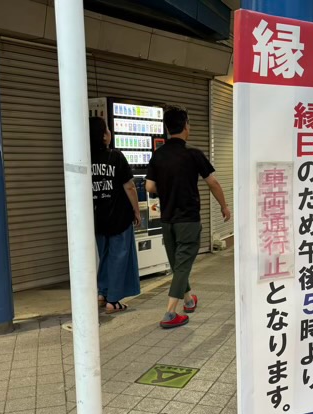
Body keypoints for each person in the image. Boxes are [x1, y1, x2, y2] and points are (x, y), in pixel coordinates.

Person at [145, 106, 231, 329]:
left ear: (167, 128)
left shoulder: (158, 155)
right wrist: (224, 206)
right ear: (185, 127)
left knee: (177, 263)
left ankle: (189, 299)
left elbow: (150, 186)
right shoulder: (193, 154)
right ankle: (170, 313)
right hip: (188, 220)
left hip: (167, 220)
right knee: (182, 266)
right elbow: (212, 182)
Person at [89, 117, 141, 313]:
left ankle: (102, 293)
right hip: (119, 217)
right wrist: (136, 210)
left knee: (105, 255)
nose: (110, 132)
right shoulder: (116, 156)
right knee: (119, 256)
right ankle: (114, 300)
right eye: (108, 129)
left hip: (97, 218)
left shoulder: (86, 158)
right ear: (103, 135)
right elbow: (129, 186)